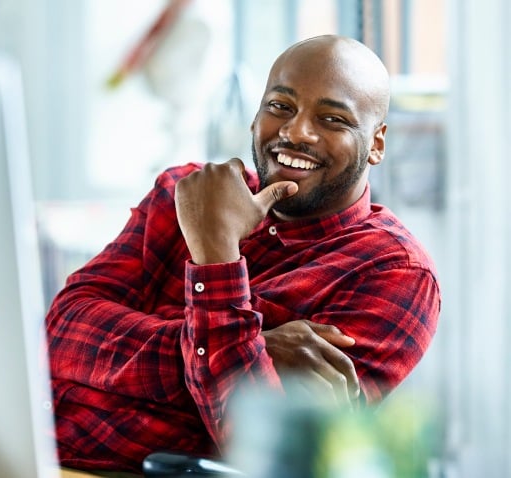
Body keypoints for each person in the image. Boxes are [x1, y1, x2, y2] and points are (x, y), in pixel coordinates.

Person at [45, 34, 440, 475]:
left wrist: (215, 256)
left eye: (332, 118)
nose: (295, 132)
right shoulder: (187, 192)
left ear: (377, 143)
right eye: (280, 106)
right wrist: (246, 348)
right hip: (29, 454)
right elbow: (60, 332)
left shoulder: (395, 271)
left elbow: (267, 447)